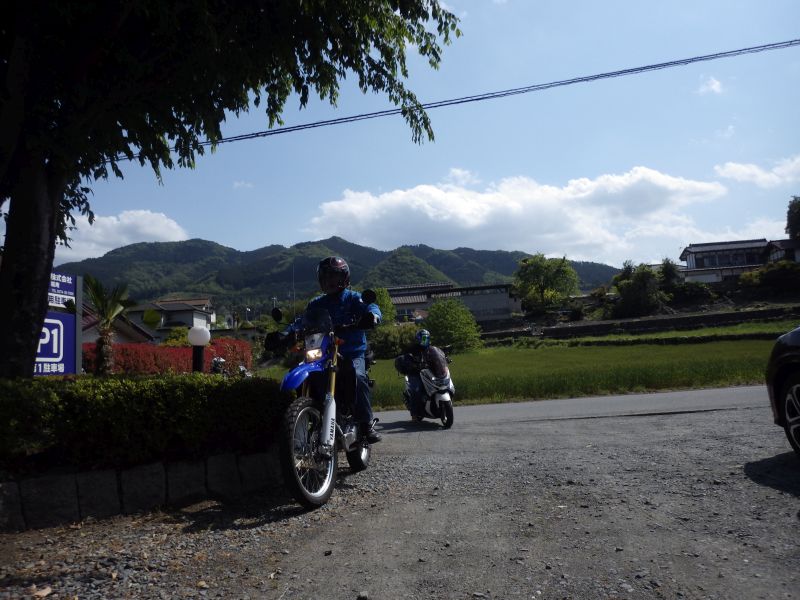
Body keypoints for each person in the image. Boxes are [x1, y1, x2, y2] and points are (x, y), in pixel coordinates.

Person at [267, 256, 382, 443]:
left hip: (351, 353)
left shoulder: (354, 298)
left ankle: (366, 423)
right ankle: (306, 422)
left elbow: (372, 307)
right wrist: (285, 334)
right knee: (302, 372)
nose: (328, 280)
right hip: (323, 353)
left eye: (333, 276)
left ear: (344, 278)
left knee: (358, 376)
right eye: (324, 277)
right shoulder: (316, 304)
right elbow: (301, 321)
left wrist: (372, 317)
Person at [394, 328, 447, 421]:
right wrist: (410, 364)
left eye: (426, 338)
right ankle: (414, 414)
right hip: (415, 373)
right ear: (418, 339)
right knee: (416, 390)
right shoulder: (412, 349)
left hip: (430, 372)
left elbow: (438, 355)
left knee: (440, 384)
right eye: (422, 338)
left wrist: (445, 359)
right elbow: (404, 357)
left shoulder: (432, 349)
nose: (424, 340)